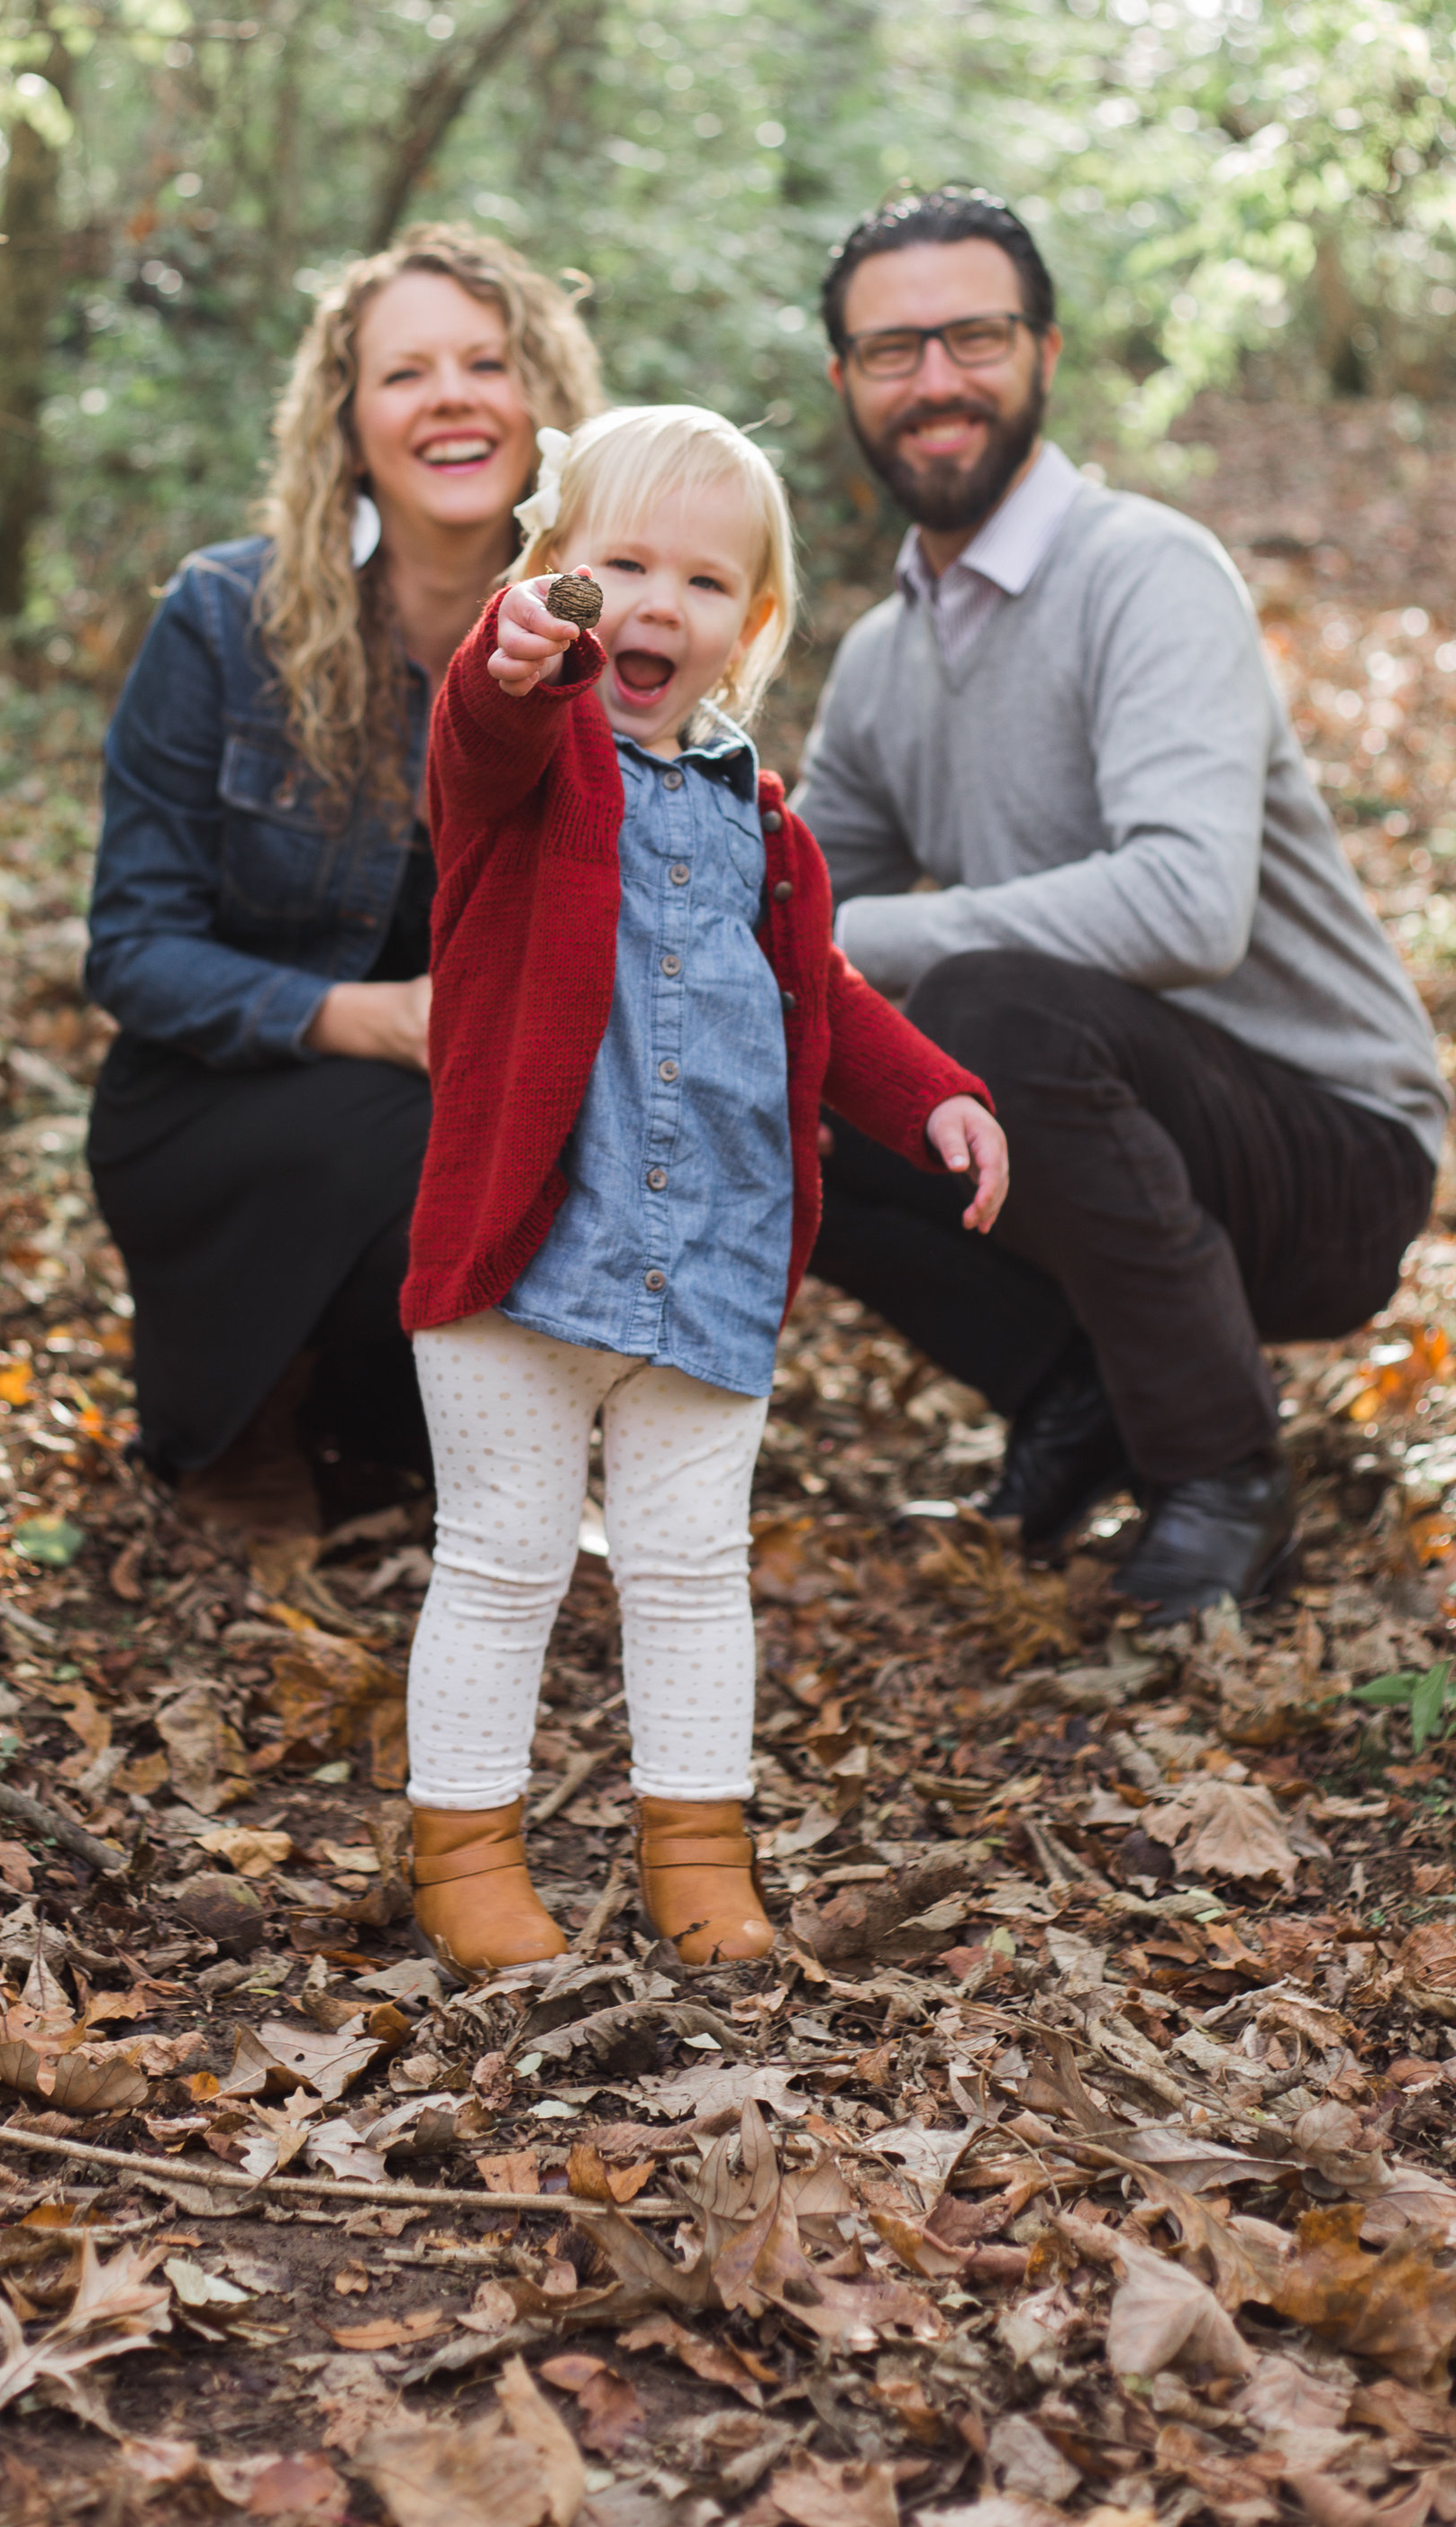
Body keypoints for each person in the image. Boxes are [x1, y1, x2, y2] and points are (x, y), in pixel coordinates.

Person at [396, 404, 1009, 1975]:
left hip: (710, 1260)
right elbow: (481, 717)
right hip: (522, 1255)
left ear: (752, 624)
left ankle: (700, 1857)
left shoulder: (764, 821)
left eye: (704, 580)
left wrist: (936, 1092)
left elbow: (826, 996)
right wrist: (517, 649)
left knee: (689, 1576)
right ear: (555, 575)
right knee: (503, 1556)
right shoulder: (528, 773)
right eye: (621, 565)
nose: (656, 603)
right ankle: (466, 1847)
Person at [795, 185, 1450, 1626]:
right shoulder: (881, 661)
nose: (938, 380)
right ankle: (1078, 1396)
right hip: (1112, 1131)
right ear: (844, 381)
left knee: (985, 1006)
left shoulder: (1144, 573)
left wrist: (850, 947)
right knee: (772, 1060)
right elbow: (795, 910)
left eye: (974, 335)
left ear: (1045, 350)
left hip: (1328, 1149)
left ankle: (1221, 1475)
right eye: (894, 351)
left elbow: (1187, 910)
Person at [82, 224, 603, 1543]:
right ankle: (237, 1418)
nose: (452, 397)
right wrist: (370, 1018)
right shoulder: (220, 617)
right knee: (416, 1135)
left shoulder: (611, 635)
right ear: (347, 419)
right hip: (227, 1104)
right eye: (405, 372)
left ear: (542, 401)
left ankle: (415, 1428)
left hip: (480, 1097)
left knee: (580, 1138)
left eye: (487, 361)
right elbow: (132, 950)